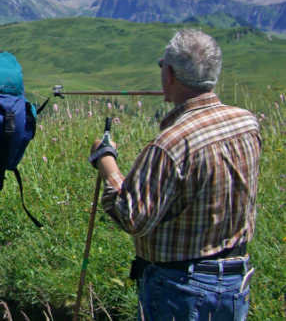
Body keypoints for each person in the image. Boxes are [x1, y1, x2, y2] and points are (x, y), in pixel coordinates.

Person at [88, 29, 261, 320]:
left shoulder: (170, 145)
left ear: (169, 74)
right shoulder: (247, 124)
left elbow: (132, 217)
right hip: (234, 281)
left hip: (181, 287)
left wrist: (106, 162)